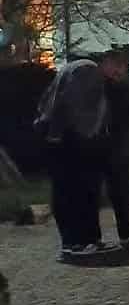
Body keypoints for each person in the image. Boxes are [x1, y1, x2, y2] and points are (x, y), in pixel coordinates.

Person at [35, 57, 112, 258]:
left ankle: (82, 239)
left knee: (70, 188)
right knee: (77, 189)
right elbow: (72, 103)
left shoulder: (70, 71)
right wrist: (87, 133)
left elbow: (50, 102)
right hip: (71, 138)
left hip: (60, 137)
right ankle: (77, 240)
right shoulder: (87, 70)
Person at [98, 51, 129, 247]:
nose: (117, 70)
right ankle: (92, 237)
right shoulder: (98, 87)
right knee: (94, 191)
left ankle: (126, 234)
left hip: (114, 144)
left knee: (120, 190)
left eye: (120, 66)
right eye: (113, 65)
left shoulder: (122, 89)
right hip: (98, 144)